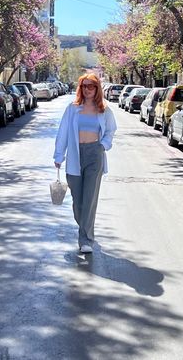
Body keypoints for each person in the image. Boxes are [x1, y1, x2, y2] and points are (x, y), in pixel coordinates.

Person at [53, 73, 117, 254]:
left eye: (91, 86)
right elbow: (63, 132)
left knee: (89, 199)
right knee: (77, 201)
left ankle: (86, 238)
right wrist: (59, 156)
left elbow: (111, 130)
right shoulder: (72, 109)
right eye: (84, 86)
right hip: (75, 154)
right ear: (80, 88)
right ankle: (85, 228)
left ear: (97, 89)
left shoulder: (104, 110)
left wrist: (103, 145)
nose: (87, 89)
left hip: (94, 155)